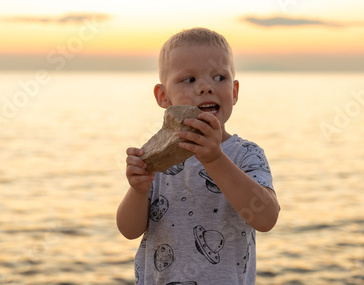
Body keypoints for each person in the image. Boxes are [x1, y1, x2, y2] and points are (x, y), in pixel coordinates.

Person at [116, 27, 280, 284]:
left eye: (219, 77)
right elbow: (129, 230)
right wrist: (137, 191)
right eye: (189, 80)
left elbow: (267, 218)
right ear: (163, 96)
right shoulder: (157, 159)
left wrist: (215, 160)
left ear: (235, 92)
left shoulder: (245, 154)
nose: (205, 87)